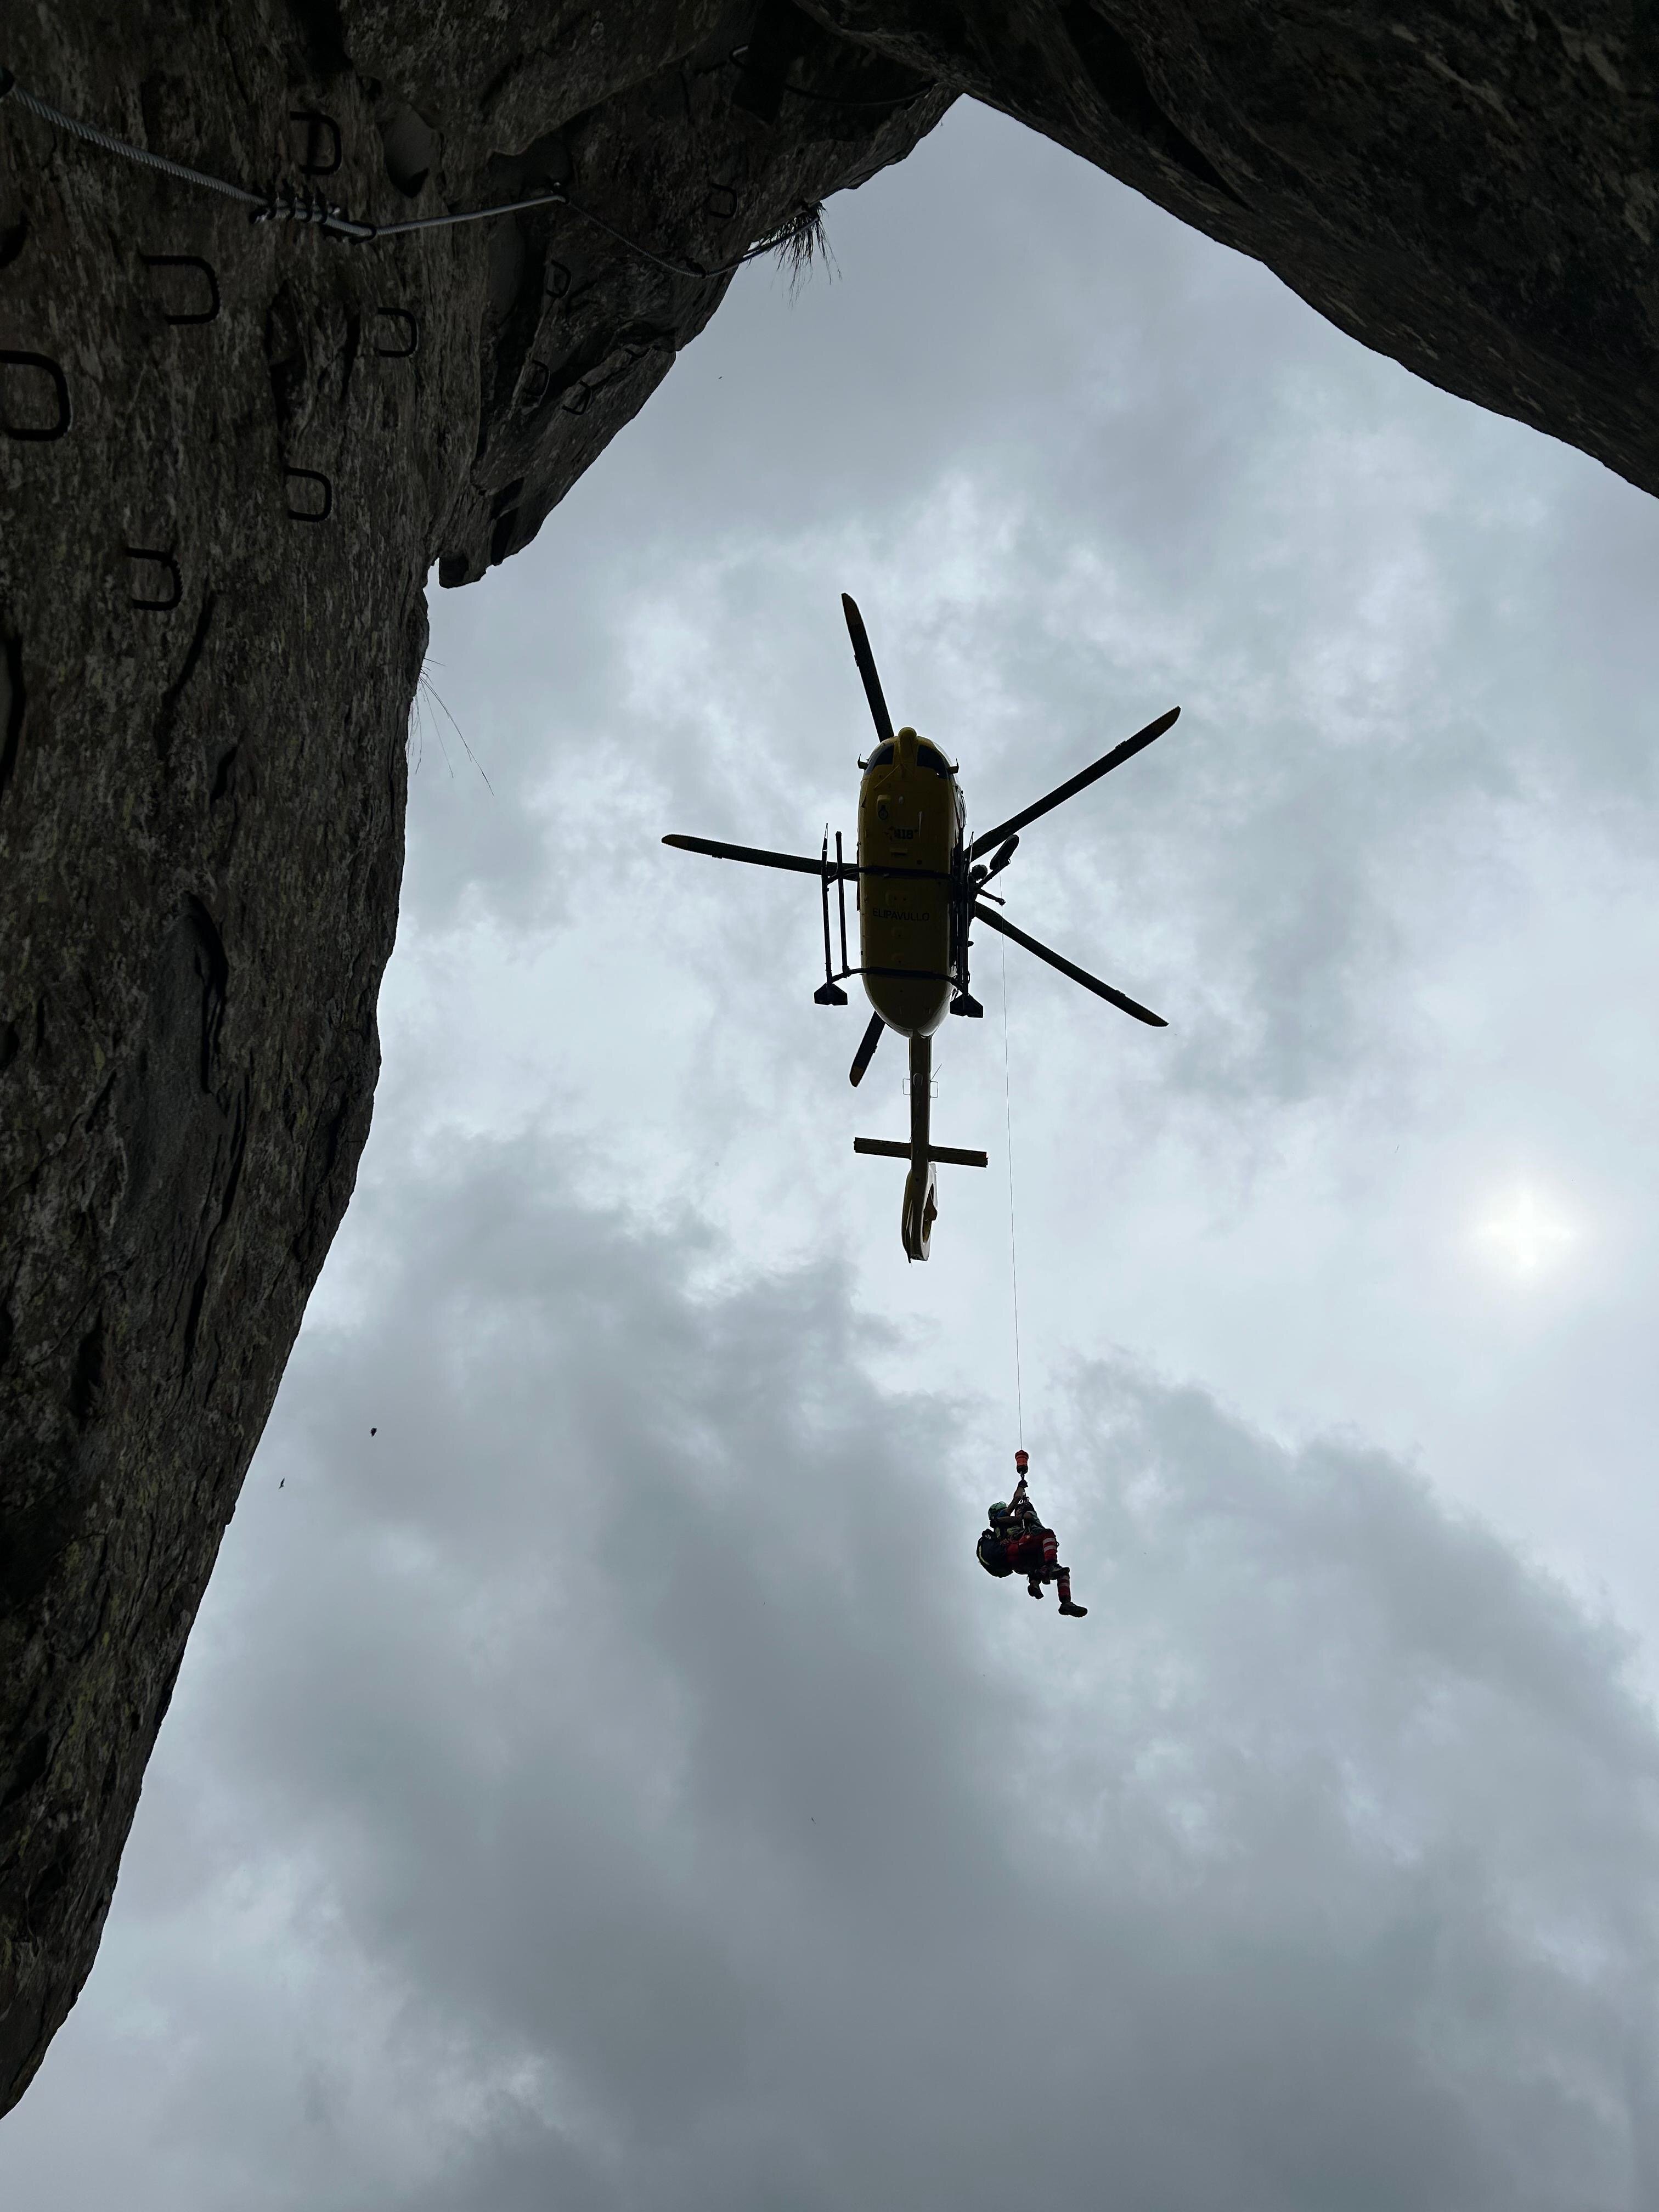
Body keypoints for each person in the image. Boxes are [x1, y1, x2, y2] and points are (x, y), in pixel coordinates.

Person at [977, 1449, 1087, 1617]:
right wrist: (1020, 1488)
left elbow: (1017, 1502)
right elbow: (1015, 1501)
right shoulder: (1001, 1517)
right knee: (1047, 1535)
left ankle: (1063, 1601)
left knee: (1061, 1571)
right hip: (1017, 1547)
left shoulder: (1001, 1529)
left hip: (1020, 1562)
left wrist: (1021, 1489)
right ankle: (1048, 1568)